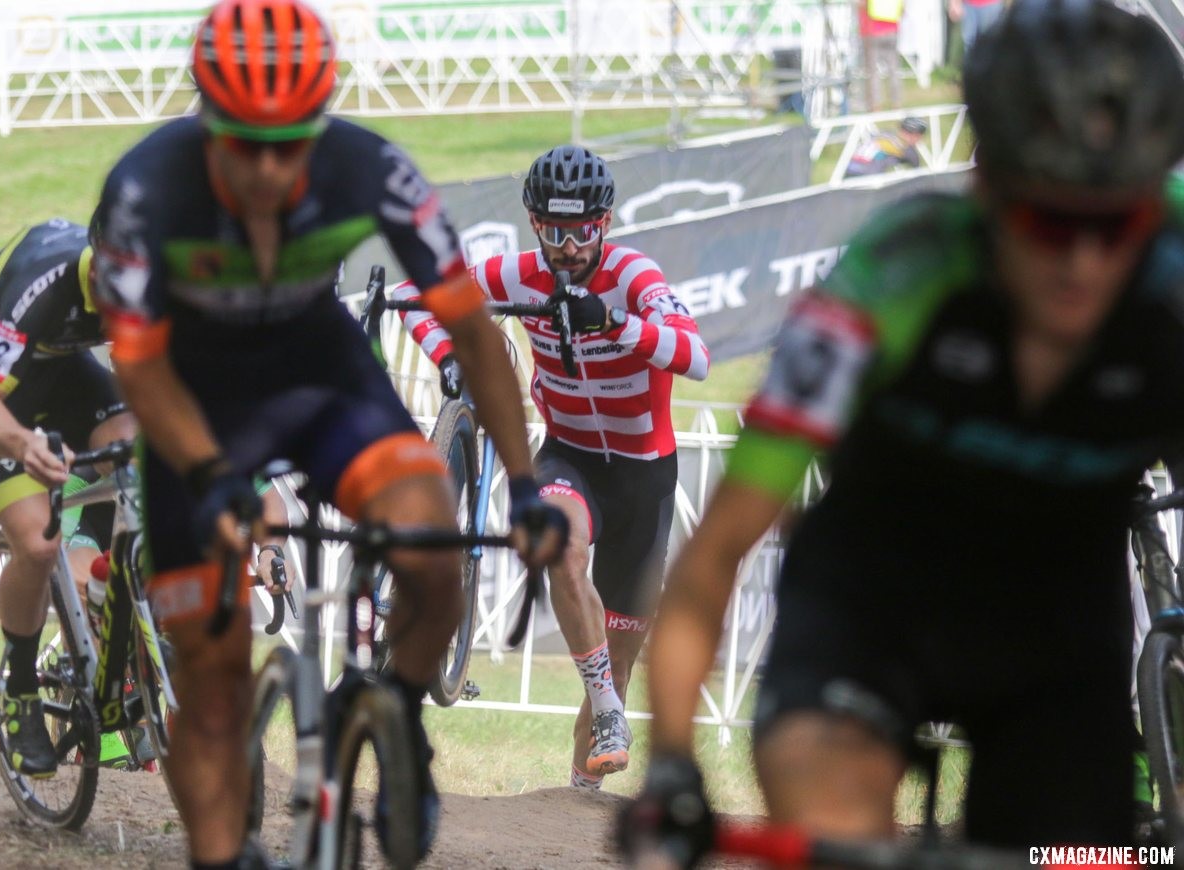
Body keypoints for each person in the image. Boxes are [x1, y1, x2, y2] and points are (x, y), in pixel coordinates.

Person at [620, 0, 1184, 864]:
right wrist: (668, 764)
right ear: (988, 188)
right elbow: (718, 548)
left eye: (1115, 229)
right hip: (866, 606)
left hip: (1056, 632)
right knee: (836, 822)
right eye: (1047, 224)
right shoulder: (894, 273)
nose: (1082, 263)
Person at [89, 1, 566, 867]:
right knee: (211, 674)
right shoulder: (142, 190)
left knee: (429, 548)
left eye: (292, 142)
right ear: (204, 116)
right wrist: (206, 470)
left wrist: (527, 485)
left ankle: (396, 709)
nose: (270, 169)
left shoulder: (369, 167)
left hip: (320, 384)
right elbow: (141, 368)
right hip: (194, 408)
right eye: (245, 143)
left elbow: (473, 332)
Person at [394, 144, 710, 790]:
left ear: (607, 222)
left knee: (616, 667)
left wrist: (617, 324)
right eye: (554, 233)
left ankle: (577, 801)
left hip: (645, 478)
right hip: (569, 456)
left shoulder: (631, 276)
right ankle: (612, 716)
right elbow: (412, 294)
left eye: (583, 232)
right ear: (535, 224)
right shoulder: (519, 276)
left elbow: (696, 355)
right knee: (559, 545)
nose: (568, 248)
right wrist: (452, 359)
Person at [0, 218, 137, 777]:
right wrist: (26, 444)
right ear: (95, 265)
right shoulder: (45, 282)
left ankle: (111, 593)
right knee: (37, 542)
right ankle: (20, 689)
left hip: (63, 366)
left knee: (138, 460)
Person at [844, 116, 927, 178]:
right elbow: (919, 173)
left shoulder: (884, 134)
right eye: (919, 136)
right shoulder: (905, 148)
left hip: (848, 171)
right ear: (915, 135)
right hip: (867, 178)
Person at [858, 0, 903, 112]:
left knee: (873, 71)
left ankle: (875, 104)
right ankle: (896, 102)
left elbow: (861, 5)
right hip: (892, 29)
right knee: (893, 69)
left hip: (872, 30)